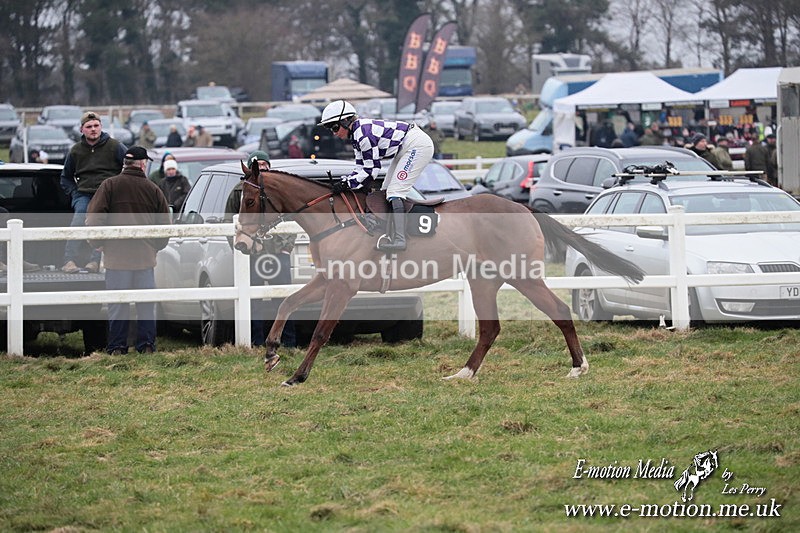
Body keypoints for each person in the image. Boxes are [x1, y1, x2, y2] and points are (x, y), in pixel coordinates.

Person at [85, 146, 171, 355]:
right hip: (144, 258)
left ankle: (116, 347)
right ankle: (147, 346)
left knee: (118, 305)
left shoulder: (109, 186)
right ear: (142, 164)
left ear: (125, 164)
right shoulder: (153, 189)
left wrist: (97, 242)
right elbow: (165, 225)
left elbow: (94, 217)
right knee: (145, 306)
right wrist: (155, 246)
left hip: (116, 259)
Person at [319, 99, 434, 252]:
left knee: (394, 192)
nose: (334, 133)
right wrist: (346, 181)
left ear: (346, 121)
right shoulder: (356, 135)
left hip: (417, 145)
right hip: (405, 146)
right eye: (330, 129)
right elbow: (360, 168)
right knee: (385, 191)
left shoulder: (363, 135)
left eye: (334, 127)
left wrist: (347, 184)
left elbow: (371, 171)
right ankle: (390, 233)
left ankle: (400, 239)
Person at [224, 150, 296, 348]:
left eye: (265, 164)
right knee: (252, 301)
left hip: (277, 252)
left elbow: (291, 217)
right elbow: (229, 222)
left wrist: (286, 247)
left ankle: (287, 342)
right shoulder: (239, 192)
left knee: (283, 299)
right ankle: (254, 343)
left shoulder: (279, 191)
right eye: (258, 164)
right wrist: (240, 249)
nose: (262, 167)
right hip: (252, 255)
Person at [59, 111, 128, 274]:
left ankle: (94, 261)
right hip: (84, 193)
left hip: (108, 194)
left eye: (96, 126)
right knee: (79, 219)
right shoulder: (75, 151)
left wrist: (119, 189)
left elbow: (129, 165)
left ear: (101, 127)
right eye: (89, 126)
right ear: (82, 129)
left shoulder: (115, 146)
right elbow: (66, 178)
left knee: (102, 222)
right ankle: (68, 260)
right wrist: (75, 193)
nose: (93, 129)